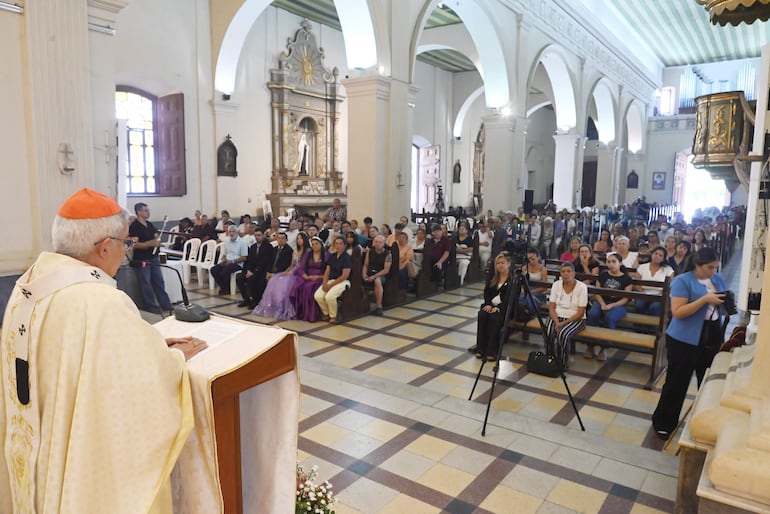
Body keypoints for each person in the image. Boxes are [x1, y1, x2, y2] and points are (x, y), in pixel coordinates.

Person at [0, 188, 206, 513]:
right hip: (73, 458)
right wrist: (177, 358)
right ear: (104, 247)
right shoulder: (98, 299)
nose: (125, 250)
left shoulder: (29, 285)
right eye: (125, 242)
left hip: (34, 439)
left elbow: (90, 353)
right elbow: (137, 385)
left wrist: (149, 344)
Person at [652, 247, 728, 440]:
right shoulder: (682, 281)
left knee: (708, 381)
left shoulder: (717, 279)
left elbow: (723, 303)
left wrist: (727, 304)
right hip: (684, 338)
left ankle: (704, 424)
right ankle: (664, 422)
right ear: (698, 265)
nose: (713, 271)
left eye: (716, 267)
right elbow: (678, 312)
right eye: (710, 267)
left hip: (711, 334)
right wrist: (704, 299)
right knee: (677, 381)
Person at [585, 252, 634, 361]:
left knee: (610, 317)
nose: (611, 264)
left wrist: (611, 305)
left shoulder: (626, 279)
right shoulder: (603, 275)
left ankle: (604, 348)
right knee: (592, 314)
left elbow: (625, 299)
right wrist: (602, 304)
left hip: (618, 305)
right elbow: (597, 292)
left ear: (620, 263)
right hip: (601, 301)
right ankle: (590, 345)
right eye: (609, 262)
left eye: (614, 262)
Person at [129, 202, 173, 314]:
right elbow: (133, 245)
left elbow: (156, 237)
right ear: (139, 212)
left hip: (153, 258)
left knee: (159, 282)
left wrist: (156, 240)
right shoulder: (134, 227)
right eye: (145, 210)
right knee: (146, 283)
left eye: (148, 210)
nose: (148, 212)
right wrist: (149, 244)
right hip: (142, 259)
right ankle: (150, 305)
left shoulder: (150, 225)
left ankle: (166, 304)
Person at [253, 232, 307, 320]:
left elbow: (303, 265)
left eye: (301, 238)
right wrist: (286, 272)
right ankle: (272, 306)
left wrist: (292, 272)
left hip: (300, 272)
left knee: (284, 285)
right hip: (292, 270)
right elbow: (292, 265)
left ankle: (283, 308)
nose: (299, 240)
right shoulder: (295, 250)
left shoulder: (303, 251)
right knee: (277, 279)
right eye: (298, 238)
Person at [545, 261, 588, 370]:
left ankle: (563, 362)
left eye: (568, 271)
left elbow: (581, 312)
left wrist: (564, 323)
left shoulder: (582, 287)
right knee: (548, 331)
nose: (566, 274)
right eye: (563, 271)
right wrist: (556, 321)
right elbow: (551, 307)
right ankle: (550, 359)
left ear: (574, 273)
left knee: (562, 334)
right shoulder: (556, 285)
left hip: (575, 319)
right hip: (557, 316)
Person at [474, 252, 512, 361]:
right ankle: (480, 348)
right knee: (482, 314)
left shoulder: (513, 279)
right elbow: (487, 293)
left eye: (502, 263)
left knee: (494, 318)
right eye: (498, 263)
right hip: (491, 305)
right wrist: (488, 304)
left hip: (505, 308)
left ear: (508, 264)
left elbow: (511, 298)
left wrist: (499, 307)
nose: (500, 265)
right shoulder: (493, 277)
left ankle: (491, 350)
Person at [315, 235, 352, 323]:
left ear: (344, 245)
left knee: (329, 296)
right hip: (331, 280)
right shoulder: (332, 256)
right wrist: (324, 283)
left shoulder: (347, 257)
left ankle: (333, 316)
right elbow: (327, 271)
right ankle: (326, 313)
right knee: (318, 296)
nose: (338, 246)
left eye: (340, 244)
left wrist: (330, 285)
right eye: (336, 244)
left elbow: (345, 275)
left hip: (343, 281)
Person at [632, 245, 674, 315]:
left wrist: (661, 295)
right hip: (643, 294)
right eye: (656, 253)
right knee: (639, 306)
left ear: (663, 259)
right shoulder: (642, 267)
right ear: (652, 254)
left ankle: (653, 325)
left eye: (660, 255)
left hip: (660, 296)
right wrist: (644, 293)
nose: (657, 256)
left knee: (654, 308)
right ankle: (639, 324)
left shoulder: (668, 269)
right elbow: (636, 283)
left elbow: (671, 285)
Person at [236, 228, 272, 308]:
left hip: (262, 271)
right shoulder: (253, 247)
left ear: (263, 236)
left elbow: (264, 262)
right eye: (255, 235)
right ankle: (247, 299)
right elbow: (249, 261)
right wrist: (248, 270)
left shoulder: (268, 247)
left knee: (253, 279)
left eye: (259, 235)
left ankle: (256, 301)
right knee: (239, 278)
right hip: (251, 270)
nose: (257, 237)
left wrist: (254, 272)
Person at [294, 236, 326, 321]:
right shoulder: (308, 254)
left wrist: (318, 277)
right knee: (299, 286)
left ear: (321, 244)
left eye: (316, 244)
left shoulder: (326, 255)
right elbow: (301, 268)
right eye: (313, 244)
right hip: (308, 276)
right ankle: (301, 313)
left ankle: (312, 315)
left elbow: (328, 271)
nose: (314, 246)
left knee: (309, 288)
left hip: (320, 277)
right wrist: (304, 275)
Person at [210, 225, 248, 295]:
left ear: (237, 232)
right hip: (227, 261)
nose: (231, 233)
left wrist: (232, 261)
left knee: (225, 271)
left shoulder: (242, 242)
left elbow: (244, 257)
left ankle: (227, 288)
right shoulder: (227, 242)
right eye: (230, 231)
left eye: (233, 232)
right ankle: (224, 287)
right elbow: (224, 254)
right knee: (214, 270)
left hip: (237, 263)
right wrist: (223, 260)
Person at [362, 235, 392, 316]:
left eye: (380, 242)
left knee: (377, 281)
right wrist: (364, 274)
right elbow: (365, 265)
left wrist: (375, 276)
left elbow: (386, 270)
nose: (377, 244)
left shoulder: (387, 254)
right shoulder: (370, 251)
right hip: (370, 272)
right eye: (376, 242)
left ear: (383, 243)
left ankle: (379, 306)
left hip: (380, 274)